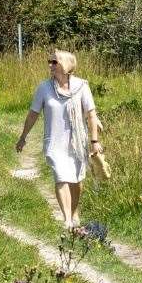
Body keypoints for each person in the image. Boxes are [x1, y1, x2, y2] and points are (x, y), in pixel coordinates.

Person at [15, 51, 104, 230]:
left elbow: (91, 115)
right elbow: (33, 114)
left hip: (77, 142)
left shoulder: (81, 86)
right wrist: (23, 137)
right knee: (61, 177)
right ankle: (67, 219)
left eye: (54, 62)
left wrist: (94, 141)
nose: (50, 65)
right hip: (54, 142)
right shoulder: (44, 88)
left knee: (76, 180)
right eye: (50, 62)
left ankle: (73, 212)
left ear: (66, 65)